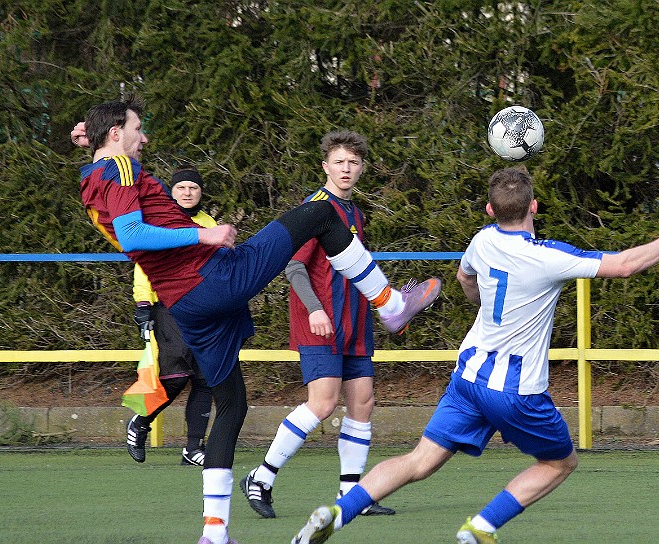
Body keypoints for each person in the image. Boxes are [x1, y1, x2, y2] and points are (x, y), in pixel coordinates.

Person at [71, 97, 441, 544]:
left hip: (186, 303)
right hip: (212, 277)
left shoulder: (93, 176)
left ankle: (215, 532)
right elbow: (133, 231)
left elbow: (114, 192)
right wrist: (204, 232)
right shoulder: (120, 169)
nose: (143, 137)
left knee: (232, 406)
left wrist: (93, 143)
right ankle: (389, 303)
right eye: (137, 129)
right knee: (323, 212)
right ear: (115, 133)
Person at [290, 166, 659, 544]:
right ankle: (482, 526)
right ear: (534, 206)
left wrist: (481, 299)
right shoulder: (549, 256)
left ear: (489, 209)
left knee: (420, 460)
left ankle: (337, 511)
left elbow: (465, 279)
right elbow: (624, 265)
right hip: (517, 389)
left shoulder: (482, 240)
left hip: (468, 378)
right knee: (560, 462)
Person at [240, 131, 394, 519]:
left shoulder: (355, 213)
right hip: (320, 321)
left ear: (361, 169)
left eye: (353, 163)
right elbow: (293, 265)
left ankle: (352, 495)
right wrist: (314, 309)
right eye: (339, 162)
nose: (346, 169)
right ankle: (261, 476)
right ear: (325, 166)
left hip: (354, 322)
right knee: (323, 404)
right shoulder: (315, 208)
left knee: (363, 403)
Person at [126, 165, 215, 467]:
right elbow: (144, 263)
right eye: (181, 188)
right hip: (168, 305)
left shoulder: (208, 223)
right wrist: (142, 304)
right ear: (171, 192)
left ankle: (193, 448)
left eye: (193, 188)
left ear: (201, 192)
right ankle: (140, 421)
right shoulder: (160, 221)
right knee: (175, 376)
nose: (187, 193)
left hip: (203, 308)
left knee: (206, 378)